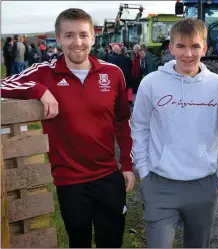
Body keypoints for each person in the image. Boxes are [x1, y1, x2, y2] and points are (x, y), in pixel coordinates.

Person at [1, 8, 135, 248]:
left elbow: (123, 123)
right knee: (78, 242)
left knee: (112, 242)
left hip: (108, 177)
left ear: (93, 37)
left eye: (83, 35)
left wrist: (126, 164)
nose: (78, 42)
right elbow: (4, 83)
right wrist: (38, 90)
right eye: (70, 35)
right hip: (69, 181)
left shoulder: (113, 73)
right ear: (59, 38)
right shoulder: (44, 73)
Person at [132, 18, 218, 248]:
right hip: (160, 183)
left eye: (195, 46)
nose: (188, 54)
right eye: (181, 46)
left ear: (205, 48)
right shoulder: (151, 83)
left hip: (204, 185)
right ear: (171, 48)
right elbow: (139, 127)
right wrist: (144, 172)